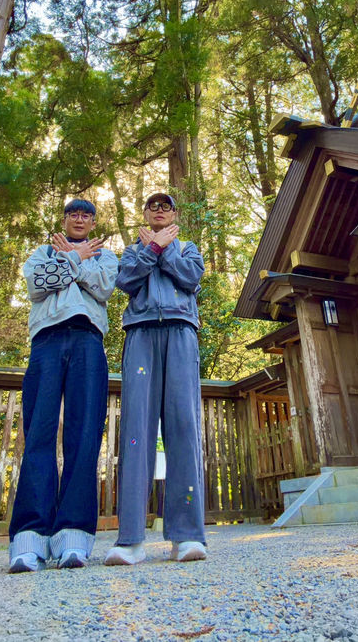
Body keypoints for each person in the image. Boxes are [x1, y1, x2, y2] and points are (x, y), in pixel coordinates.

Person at [8, 198, 118, 573]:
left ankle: (74, 534)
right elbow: (37, 285)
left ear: (92, 222)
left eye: (87, 215)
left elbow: (104, 288)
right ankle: (29, 538)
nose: (80, 219)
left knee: (84, 435)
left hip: (89, 341)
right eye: (74, 214)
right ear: (65, 219)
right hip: (46, 341)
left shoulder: (103, 255)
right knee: (38, 432)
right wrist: (75, 258)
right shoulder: (43, 252)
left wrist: (76, 258)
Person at [105, 192, 207, 565]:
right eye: (153, 207)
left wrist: (165, 250)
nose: (159, 211)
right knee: (136, 431)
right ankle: (130, 538)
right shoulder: (132, 249)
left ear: (175, 213)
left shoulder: (190, 247)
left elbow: (191, 277)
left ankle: (188, 536)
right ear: (145, 214)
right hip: (141, 334)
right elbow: (126, 281)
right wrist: (151, 251)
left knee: (183, 426)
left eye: (166, 207)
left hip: (181, 331)